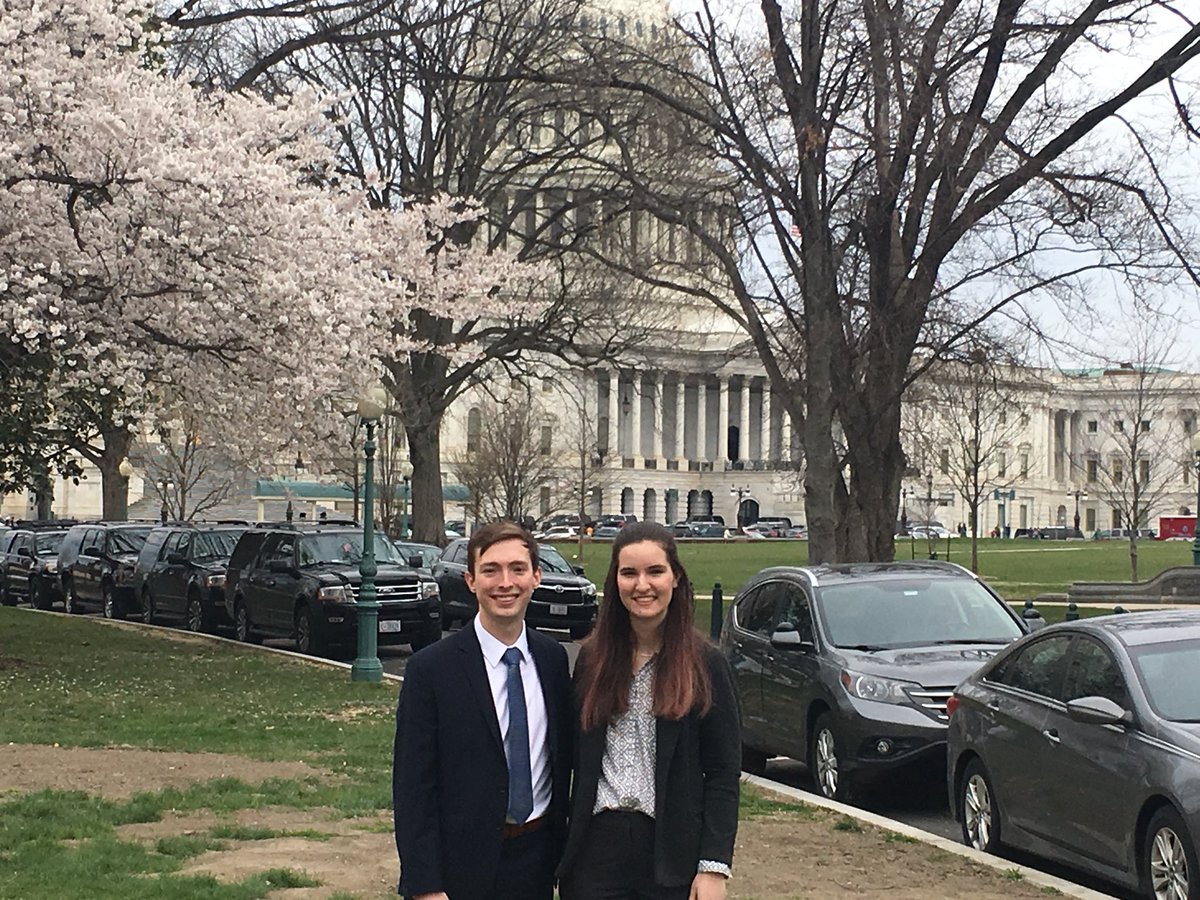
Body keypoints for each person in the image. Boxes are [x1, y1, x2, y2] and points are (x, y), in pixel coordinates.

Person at [558, 522, 740, 900]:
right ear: (615, 582)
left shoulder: (705, 664)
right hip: (596, 851)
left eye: (655, 571)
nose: (642, 585)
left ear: (675, 578)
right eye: (629, 573)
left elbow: (723, 773)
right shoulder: (592, 660)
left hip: (670, 851)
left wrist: (713, 867)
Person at [393, 521, 573, 900]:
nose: (505, 582)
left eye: (517, 569)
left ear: (536, 577)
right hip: (461, 868)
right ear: (471, 580)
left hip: (538, 859)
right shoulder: (431, 670)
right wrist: (425, 885)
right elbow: (413, 788)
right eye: (490, 570)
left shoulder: (552, 660)